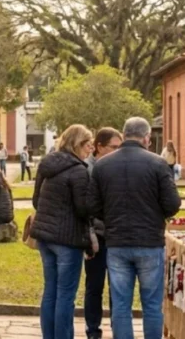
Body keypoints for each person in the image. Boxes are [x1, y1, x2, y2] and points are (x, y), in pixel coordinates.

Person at [88, 117, 181, 339]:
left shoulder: (103, 165)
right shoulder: (158, 164)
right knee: (151, 304)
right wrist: (155, 215)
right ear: (147, 138)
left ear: (124, 134)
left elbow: (92, 205)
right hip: (149, 241)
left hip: (117, 241)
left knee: (120, 304)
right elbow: (172, 204)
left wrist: (111, 217)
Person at [31, 124, 94, 339]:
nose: (90, 149)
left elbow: (36, 199)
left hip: (44, 236)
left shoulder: (47, 165)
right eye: (88, 144)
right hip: (68, 239)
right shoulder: (78, 171)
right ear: (78, 144)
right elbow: (83, 208)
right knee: (66, 294)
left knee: (51, 291)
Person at [83, 127, 122, 339]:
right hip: (97, 235)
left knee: (117, 286)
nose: (118, 151)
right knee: (94, 286)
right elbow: (88, 206)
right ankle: (93, 330)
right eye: (113, 147)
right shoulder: (88, 169)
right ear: (99, 147)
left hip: (115, 235)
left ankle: (118, 327)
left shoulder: (114, 166)